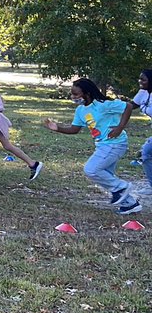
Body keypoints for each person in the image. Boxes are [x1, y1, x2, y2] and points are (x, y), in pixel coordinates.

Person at [44, 79, 141, 214]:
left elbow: (128, 107)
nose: (73, 97)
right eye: (72, 94)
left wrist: (120, 127)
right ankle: (130, 203)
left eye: (76, 94)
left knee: (91, 170)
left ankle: (122, 188)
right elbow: (74, 129)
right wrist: (57, 128)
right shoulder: (80, 110)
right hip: (102, 145)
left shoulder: (103, 105)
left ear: (87, 93)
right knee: (106, 175)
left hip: (115, 143)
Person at [116, 69, 152, 187]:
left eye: (143, 79)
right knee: (146, 154)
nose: (140, 81)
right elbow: (131, 106)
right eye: (140, 78)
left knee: (146, 152)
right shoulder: (143, 93)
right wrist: (111, 106)